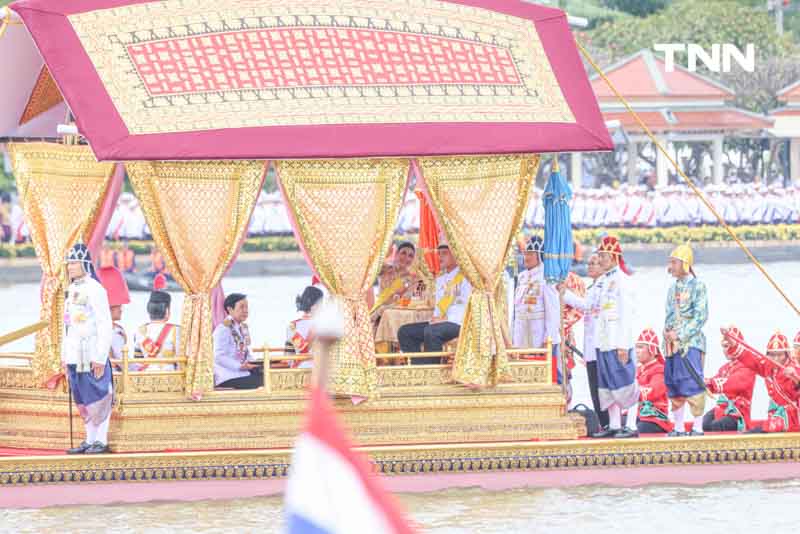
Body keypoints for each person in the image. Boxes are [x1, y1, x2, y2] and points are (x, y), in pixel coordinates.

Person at [62, 243, 114, 454]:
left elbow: (105, 323)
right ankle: (89, 439)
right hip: (74, 353)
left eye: (73, 263)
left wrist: (100, 357)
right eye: (68, 263)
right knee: (82, 397)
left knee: (98, 394)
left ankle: (101, 439)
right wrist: (64, 356)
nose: (69, 267)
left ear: (84, 264)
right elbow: (67, 326)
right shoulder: (71, 289)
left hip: (92, 352)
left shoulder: (96, 289)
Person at [593, 236, 638, 438]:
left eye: (602, 256)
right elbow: (591, 306)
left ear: (613, 257)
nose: (600, 259)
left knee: (625, 382)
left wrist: (623, 345)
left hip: (618, 340)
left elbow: (627, 315)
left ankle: (632, 425)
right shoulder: (603, 281)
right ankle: (614, 424)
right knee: (607, 384)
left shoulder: (623, 281)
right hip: (603, 340)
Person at [398, 243, 471, 364]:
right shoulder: (440, 278)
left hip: (458, 321)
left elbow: (465, 304)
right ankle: (421, 369)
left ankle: (432, 371)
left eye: (444, 253)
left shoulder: (465, 277)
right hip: (441, 321)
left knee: (432, 331)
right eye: (439, 254)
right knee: (405, 332)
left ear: (456, 255)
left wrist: (445, 318)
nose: (440, 257)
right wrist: (436, 318)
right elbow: (438, 305)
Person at [663, 243, 708, 437]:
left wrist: (680, 335)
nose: (670, 266)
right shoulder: (672, 287)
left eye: (674, 262)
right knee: (674, 384)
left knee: (692, 382)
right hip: (671, 344)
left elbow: (701, 316)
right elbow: (669, 314)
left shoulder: (698, 285)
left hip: (690, 343)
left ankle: (697, 427)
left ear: (685, 263)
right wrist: (666, 333)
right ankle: (679, 427)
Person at [561, 253, 608, 429]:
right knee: (594, 388)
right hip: (590, 347)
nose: (590, 266)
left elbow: (586, 306)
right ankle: (604, 425)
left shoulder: (605, 286)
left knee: (603, 389)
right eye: (589, 263)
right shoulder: (593, 286)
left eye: (595, 263)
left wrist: (563, 293)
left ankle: (609, 424)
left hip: (602, 345)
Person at [726, 330, 800, 433]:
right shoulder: (768, 366)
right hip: (775, 416)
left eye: (780, 355)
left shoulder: (793, 368)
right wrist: (731, 341)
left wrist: (795, 378)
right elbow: (750, 358)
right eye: (772, 355)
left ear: (787, 354)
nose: (776, 358)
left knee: (754, 434)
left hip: (791, 418)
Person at [703, 326, 755, 432]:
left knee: (717, 426)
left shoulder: (748, 365)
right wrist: (702, 382)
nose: (726, 350)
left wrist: (710, 382)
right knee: (705, 423)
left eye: (728, 346)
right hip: (722, 409)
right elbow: (714, 381)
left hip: (737, 412)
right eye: (724, 346)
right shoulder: (725, 368)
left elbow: (735, 382)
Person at [512, 236, 560, 352]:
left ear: (539, 256)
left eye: (530, 254)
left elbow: (552, 311)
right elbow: (516, 310)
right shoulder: (522, 277)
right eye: (525, 254)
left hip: (539, 336)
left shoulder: (547, 277)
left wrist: (548, 338)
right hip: (521, 335)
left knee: (546, 369)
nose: (526, 258)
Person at [213, 293, 262, 389]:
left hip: (242, 373)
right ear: (230, 309)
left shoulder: (242, 327)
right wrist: (240, 366)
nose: (245, 311)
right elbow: (219, 357)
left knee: (266, 374)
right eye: (241, 307)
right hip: (228, 376)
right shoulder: (223, 329)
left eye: (247, 307)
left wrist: (254, 363)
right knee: (264, 381)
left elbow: (245, 353)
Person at [370, 241, 423, 323]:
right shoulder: (386, 269)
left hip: (400, 317)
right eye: (403, 253)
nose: (406, 258)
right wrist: (385, 254)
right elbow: (371, 265)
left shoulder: (415, 279)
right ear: (397, 254)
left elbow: (417, 299)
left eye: (410, 256)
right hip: (378, 315)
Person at [635, 328, 673, 435]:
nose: (637, 351)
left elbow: (653, 392)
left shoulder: (660, 369)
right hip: (637, 415)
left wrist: (629, 392)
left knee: (636, 429)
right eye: (636, 347)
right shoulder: (638, 370)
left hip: (654, 417)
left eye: (641, 347)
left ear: (652, 349)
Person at [132, 291, 180, 372]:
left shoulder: (140, 332)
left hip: (146, 378)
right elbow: (181, 361)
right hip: (170, 378)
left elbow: (138, 361)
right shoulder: (176, 330)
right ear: (167, 310)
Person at [97, 265, 130, 367]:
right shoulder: (115, 332)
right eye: (119, 306)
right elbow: (124, 363)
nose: (121, 310)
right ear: (110, 308)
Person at [286, 286, 324, 369]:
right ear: (315, 305)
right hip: (314, 369)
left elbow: (288, 355)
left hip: (299, 368)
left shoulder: (292, 326)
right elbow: (303, 349)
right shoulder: (322, 324)